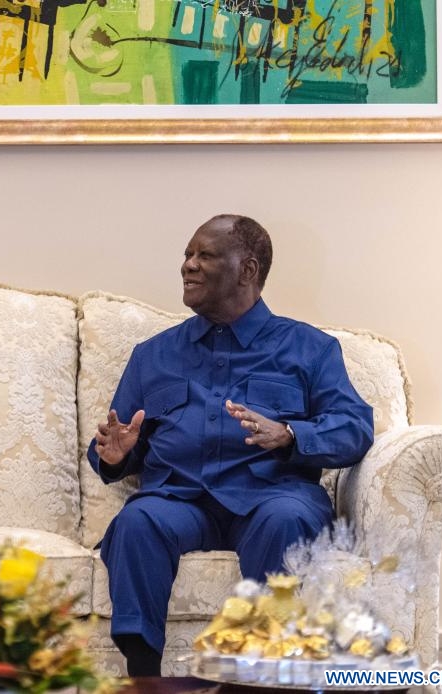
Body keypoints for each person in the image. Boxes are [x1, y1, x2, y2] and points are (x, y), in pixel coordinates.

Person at [88, 214, 374, 676]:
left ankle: (261, 670)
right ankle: (144, 674)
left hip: (271, 494)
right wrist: (116, 455)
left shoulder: (310, 349)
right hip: (180, 499)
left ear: (247, 269)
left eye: (205, 255)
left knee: (286, 518)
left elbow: (354, 427)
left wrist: (290, 435)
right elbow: (115, 438)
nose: (188, 265)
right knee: (138, 521)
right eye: (187, 255)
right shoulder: (153, 354)